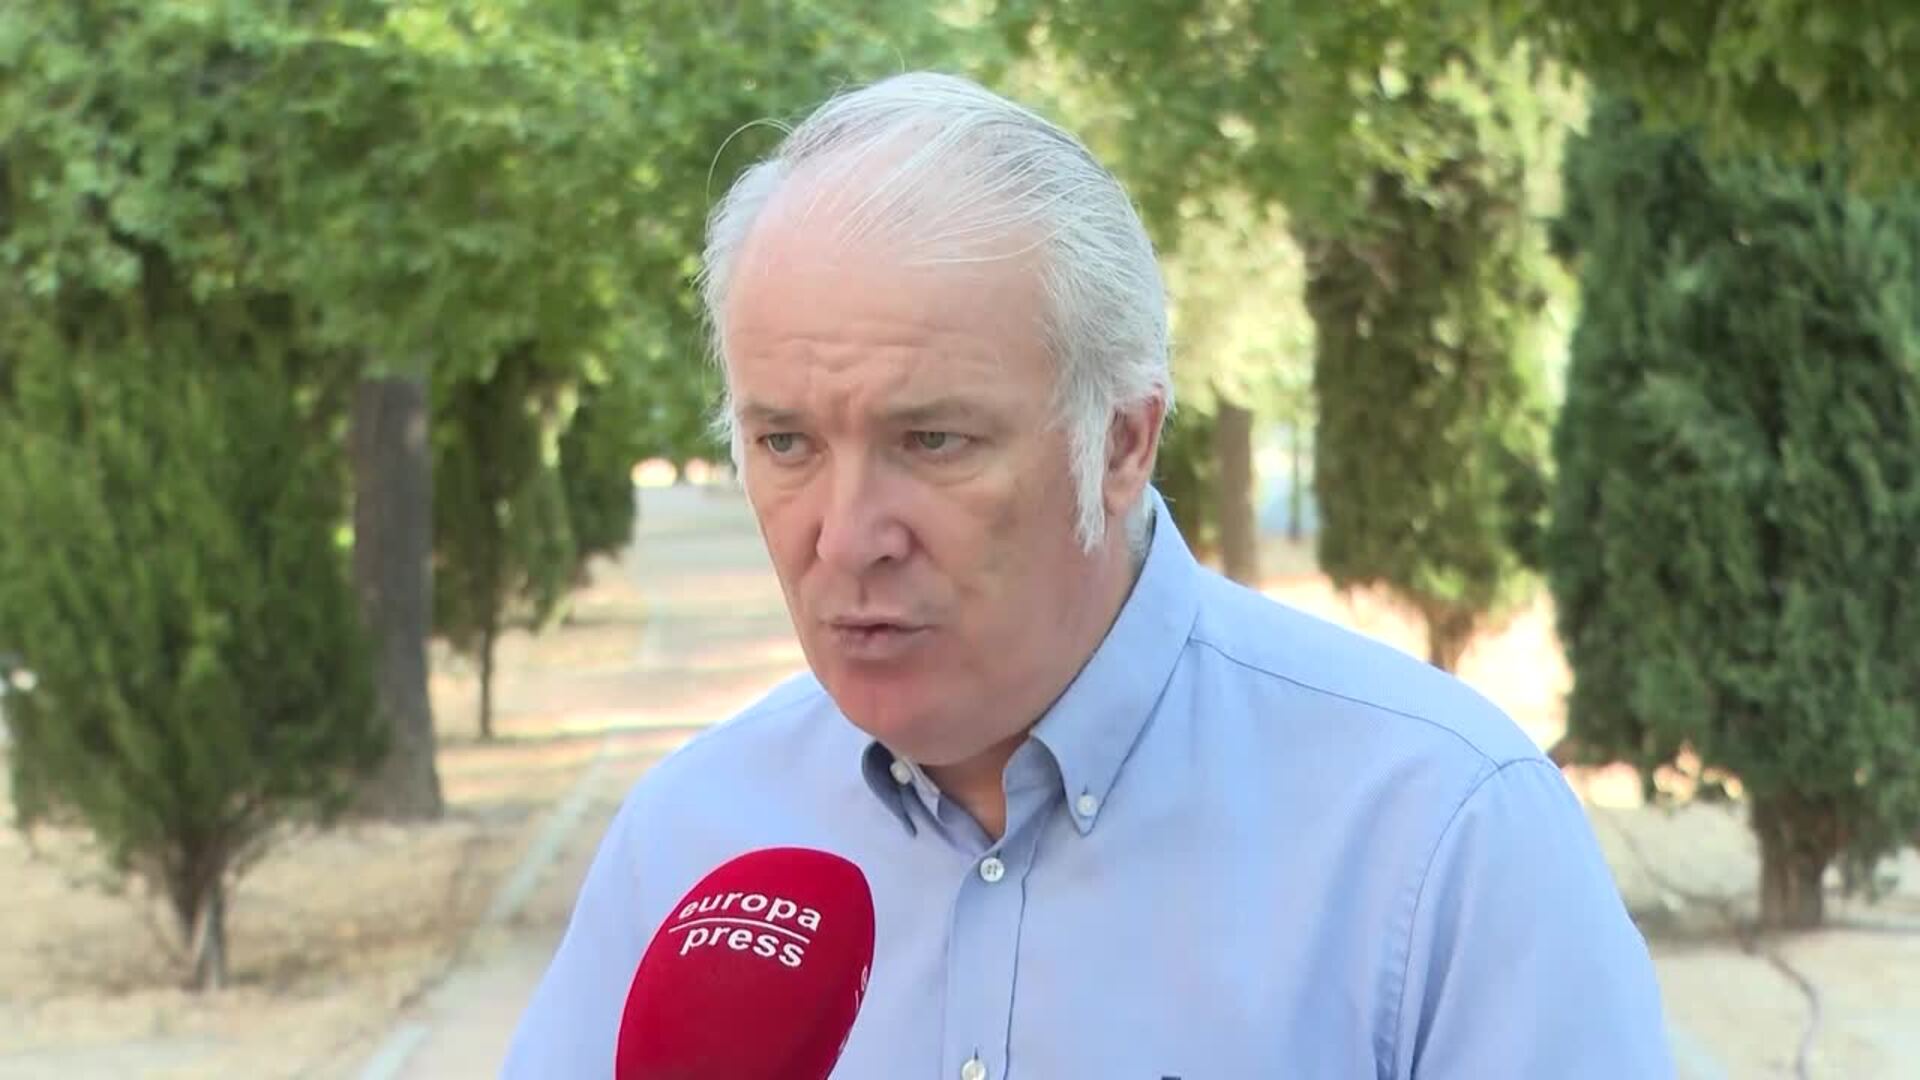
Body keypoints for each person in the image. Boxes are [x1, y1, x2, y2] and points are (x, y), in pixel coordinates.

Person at [504, 71, 1674, 1078]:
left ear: (1120, 443)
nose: (847, 536)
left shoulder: (1441, 836)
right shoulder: (687, 842)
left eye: (933, 440)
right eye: (787, 443)